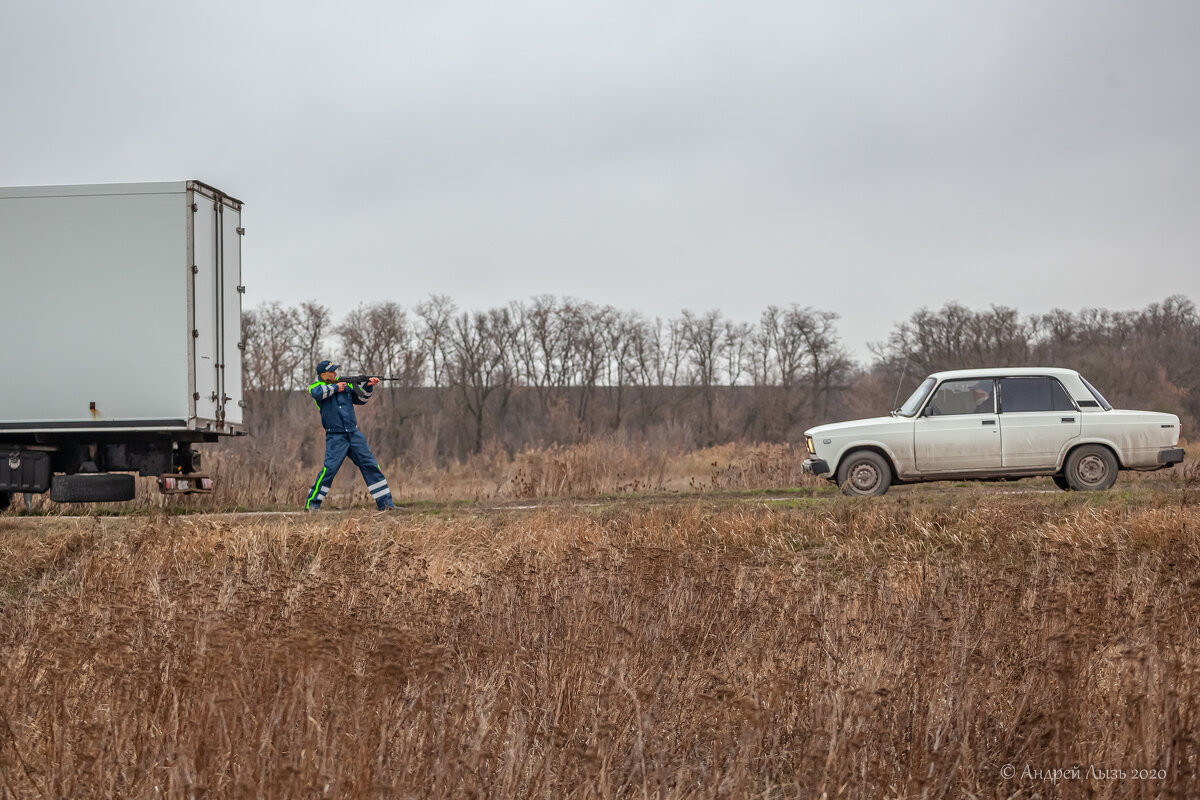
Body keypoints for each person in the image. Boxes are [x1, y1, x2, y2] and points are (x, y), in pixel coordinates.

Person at [303, 360, 396, 511]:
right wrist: (336, 387)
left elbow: (361, 399)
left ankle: (386, 505)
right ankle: (312, 505)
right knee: (329, 470)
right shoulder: (317, 387)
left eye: (335, 371)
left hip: (354, 435)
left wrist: (368, 386)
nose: (335, 373)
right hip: (335, 437)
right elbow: (317, 393)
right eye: (331, 371)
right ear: (323, 375)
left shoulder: (346, 387)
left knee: (371, 465)